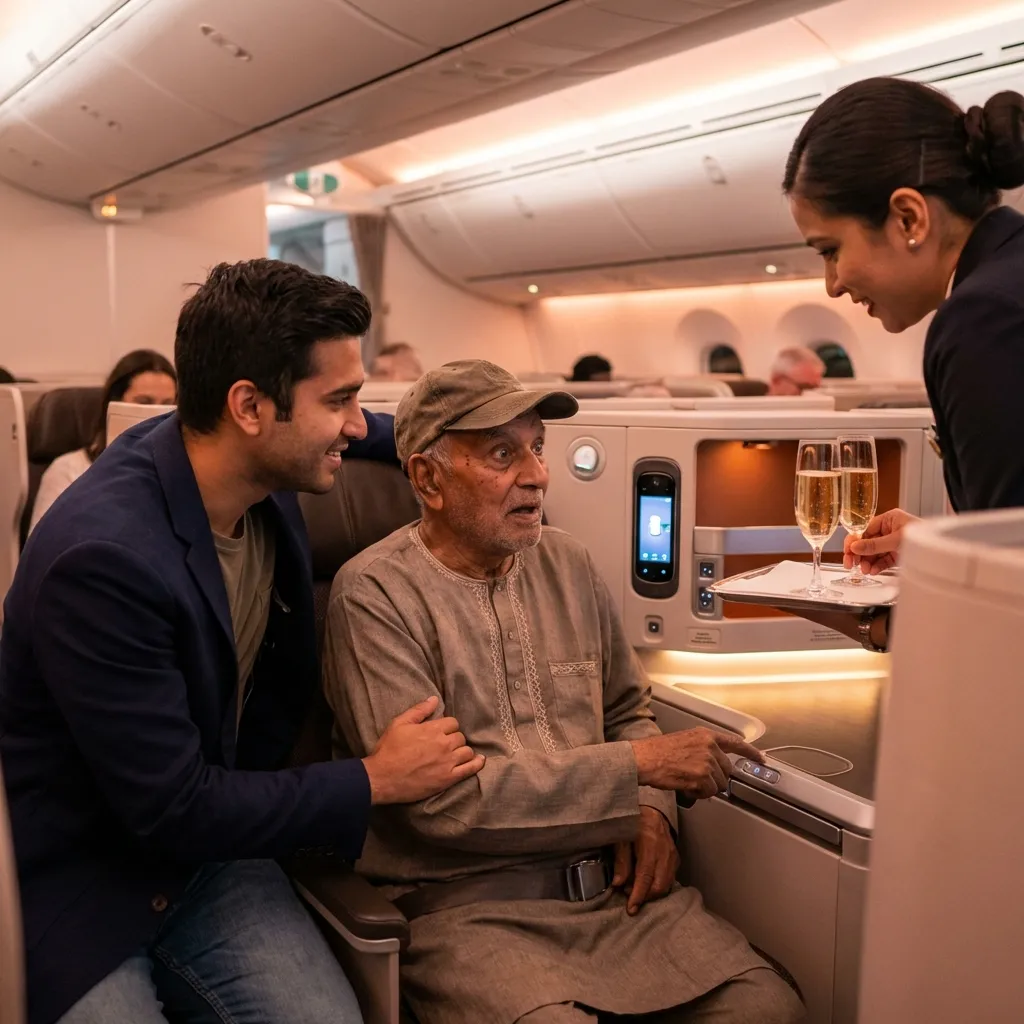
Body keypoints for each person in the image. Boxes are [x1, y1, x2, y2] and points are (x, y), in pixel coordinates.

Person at [0, 260, 484, 1024]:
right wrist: (373, 779)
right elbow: (172, 808)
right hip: (91, 872)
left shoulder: (238, 466)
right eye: (341, 401)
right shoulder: (103, 561)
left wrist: (458, 448)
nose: (358, 424)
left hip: (215, 856)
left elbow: (372, 438)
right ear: (250, 406)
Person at [322, 359, 805, 1024]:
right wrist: (638, 769)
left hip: (617, 896)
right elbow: (442, 806)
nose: (538, 475)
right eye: (502, 453)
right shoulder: (376, 595)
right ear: (428, 479)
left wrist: (653, 806)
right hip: (471, 913)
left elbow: (626, 708)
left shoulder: (568, 562)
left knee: (766, 1005)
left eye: (538, 448)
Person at [782, 78, 1024, 651]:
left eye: (831, 250)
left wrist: (872, 626)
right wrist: (944, 543)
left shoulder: (983, 321)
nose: (832, 285)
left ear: (909, 218)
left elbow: (1009, 601)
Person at [29, 349, 178, 532]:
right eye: (144, 402)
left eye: (167, 405)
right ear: (113, 405)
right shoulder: (68, 472)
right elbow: (44, 553)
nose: (157, 415)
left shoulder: (177, 475)